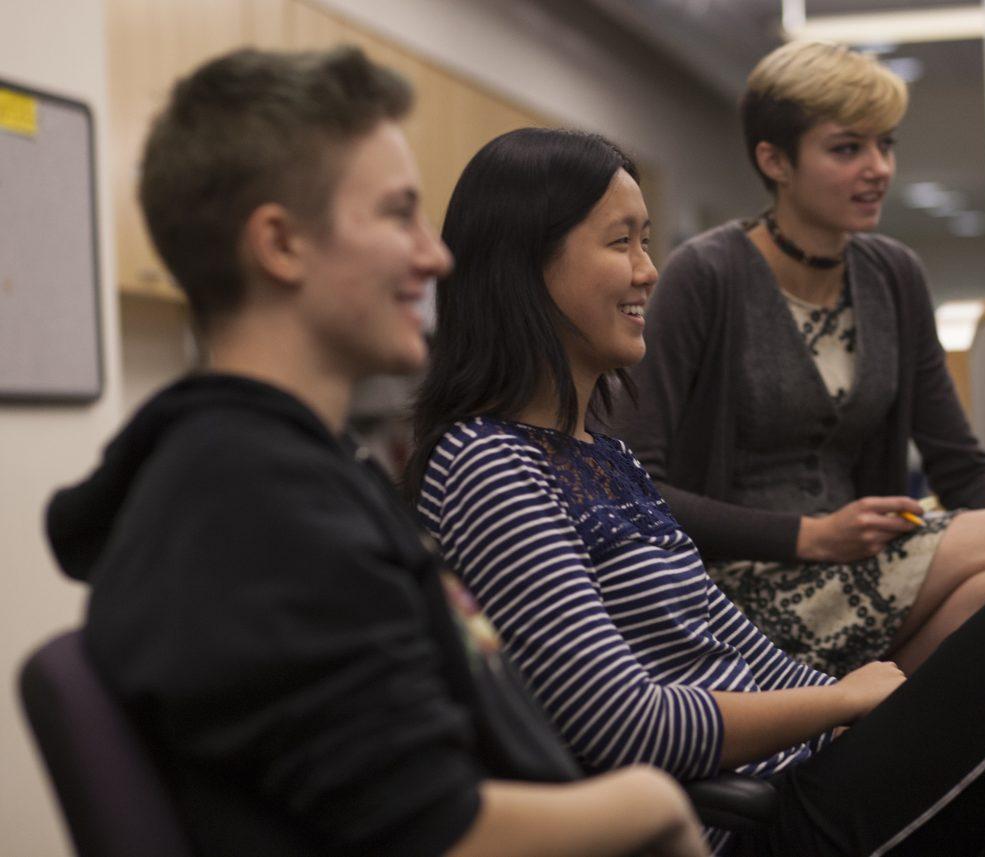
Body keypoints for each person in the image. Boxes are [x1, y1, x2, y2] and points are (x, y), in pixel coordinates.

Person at [44, 47, 708, 857]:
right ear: (281, 244)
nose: (434, 258)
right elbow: (438, 837)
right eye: (398, 215)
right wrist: (654, 805)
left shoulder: (301, 472)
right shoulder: (257, 507)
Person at [409, 126, 985, 857]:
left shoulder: (605, 455)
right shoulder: (489, 465)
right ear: (527, 264)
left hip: (791, 784)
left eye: (646, 241)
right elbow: (627, 723)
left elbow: (736, 643)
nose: (648, 270)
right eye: (620, 242)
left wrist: (859, 711)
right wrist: (840, 699)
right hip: (744, 828)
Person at [606, 40, 985, 676]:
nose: (878, 167)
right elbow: (636, 487)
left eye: (886, 145)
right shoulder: (705, 274)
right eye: (848, 148)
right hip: (739, 591)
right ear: (775, 160)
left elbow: (960, 468)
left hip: (860, 575)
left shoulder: (893, 274)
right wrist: (808, 535)